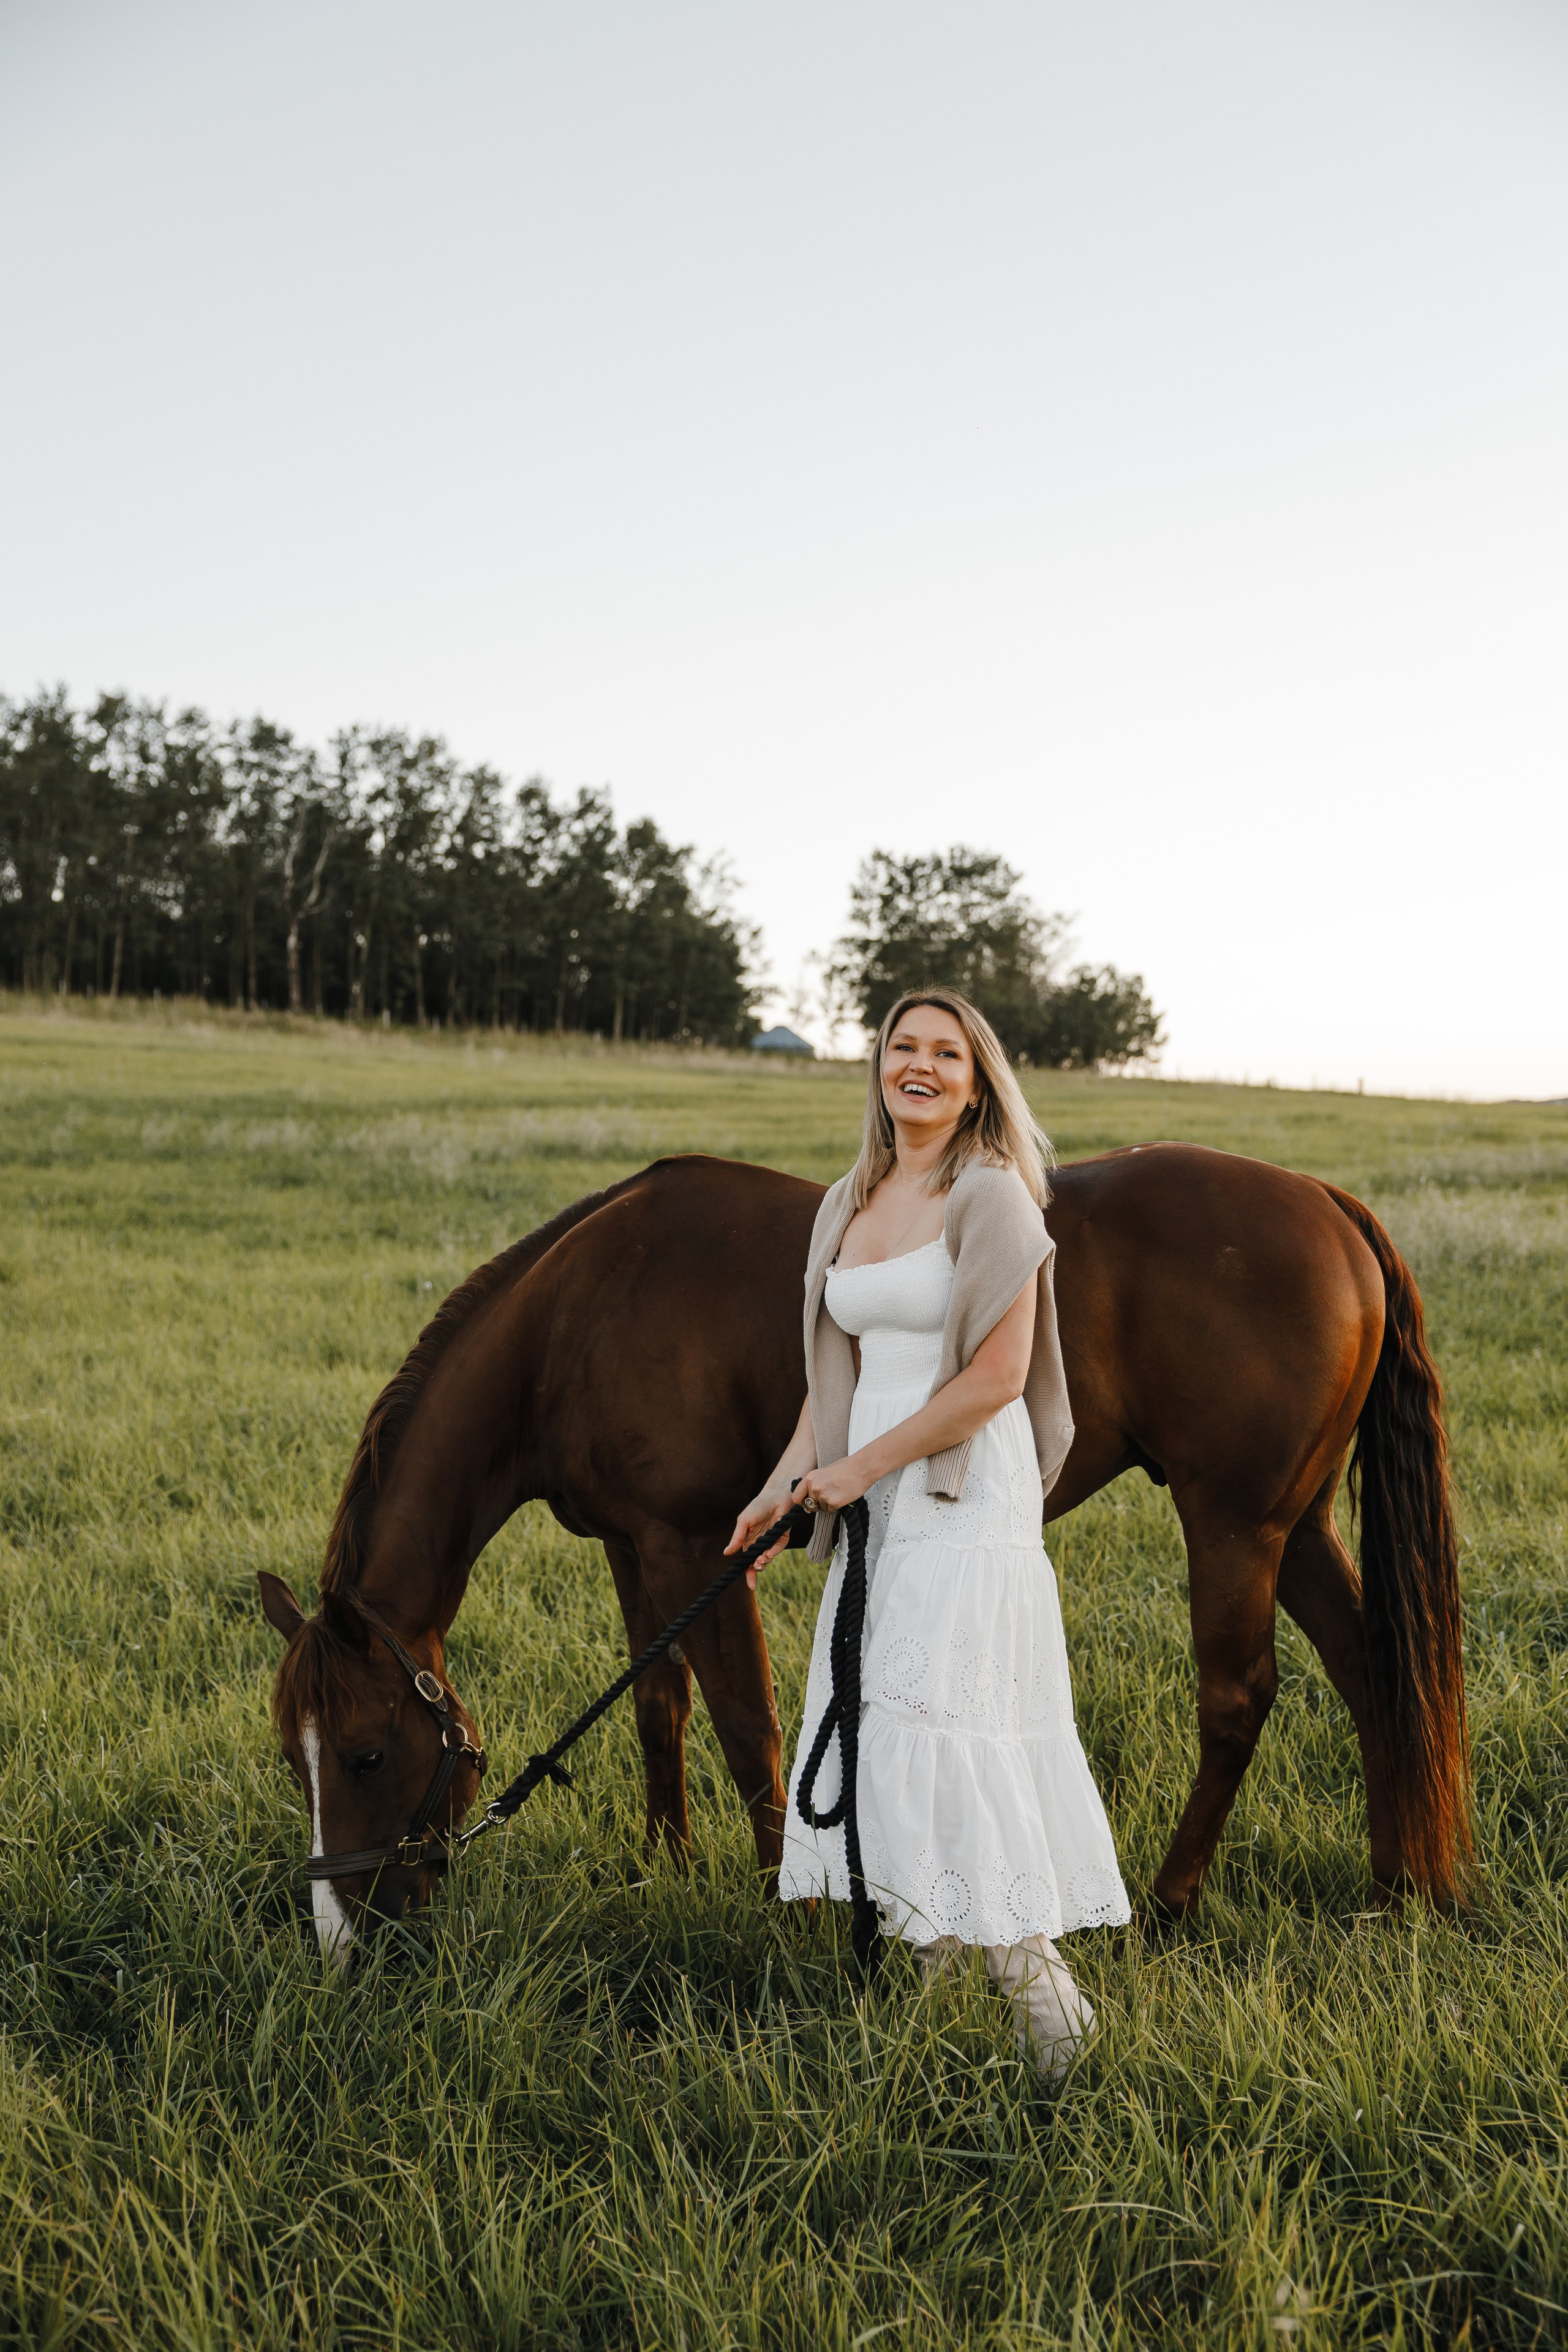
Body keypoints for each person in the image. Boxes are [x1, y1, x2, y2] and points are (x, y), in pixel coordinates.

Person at [727, 987, 1129, 2080]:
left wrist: (863, 1468)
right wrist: (785, 1485)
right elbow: (833, 1377)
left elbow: (999, 1378)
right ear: (880, 1069)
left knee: (948, 1727)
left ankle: (1053, 2025)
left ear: (976, 1077)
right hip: (874, 1495)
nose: (921, 1066)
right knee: (892, 1733)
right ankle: (938, 2013)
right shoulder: (848, 1202)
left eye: (946, 1053)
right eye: (903, 1047)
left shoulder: (991, 1194)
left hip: (958, 1496)